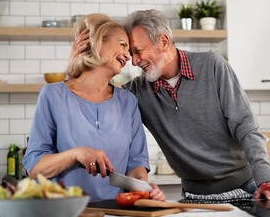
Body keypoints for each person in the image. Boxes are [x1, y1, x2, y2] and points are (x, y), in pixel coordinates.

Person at [71, 10, 270, 201]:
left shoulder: (212, 66)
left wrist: (265, 180)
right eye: (131, 52)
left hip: (246, 188)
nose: (134, 61)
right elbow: (92, 97)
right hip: (193, 196)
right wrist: (76, 65)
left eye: (138, 51)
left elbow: (246, 127)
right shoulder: (137, 91)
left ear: (163, 41)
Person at [23, 13, 165, 201]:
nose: (128, 56)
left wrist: (144, 186)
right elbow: (34, 168)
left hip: (115, 212)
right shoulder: (53, 95)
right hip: (66, 212)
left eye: (129, 50)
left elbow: (136, 165)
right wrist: (76, 154)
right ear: (97, 41)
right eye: (123, 45)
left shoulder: (128, 102)